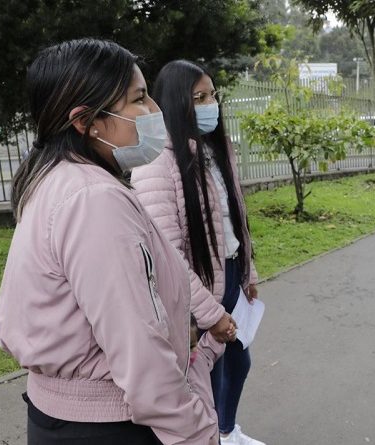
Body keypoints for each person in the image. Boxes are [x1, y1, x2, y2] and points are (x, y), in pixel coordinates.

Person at [0, 39, 219, 445]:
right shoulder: (93, 199)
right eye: (139, 99)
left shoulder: (57, 179)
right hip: (110, 424)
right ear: (86, 122)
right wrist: (197, 434)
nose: (155, 112)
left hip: (68, 417)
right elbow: (139, 349)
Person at [131, 60, 264, 445]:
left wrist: (248, 272)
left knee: (238, 362)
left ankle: (225, 431)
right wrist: (208, 314)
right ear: (176, 104)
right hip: (197, 290)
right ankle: (212, 438)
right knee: (205, 375)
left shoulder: (215, 150)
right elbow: (169, 258)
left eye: (213, 95)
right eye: (198, 98)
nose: (211, 105)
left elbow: (233, 219)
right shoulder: (157, 163)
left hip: (230, 273)